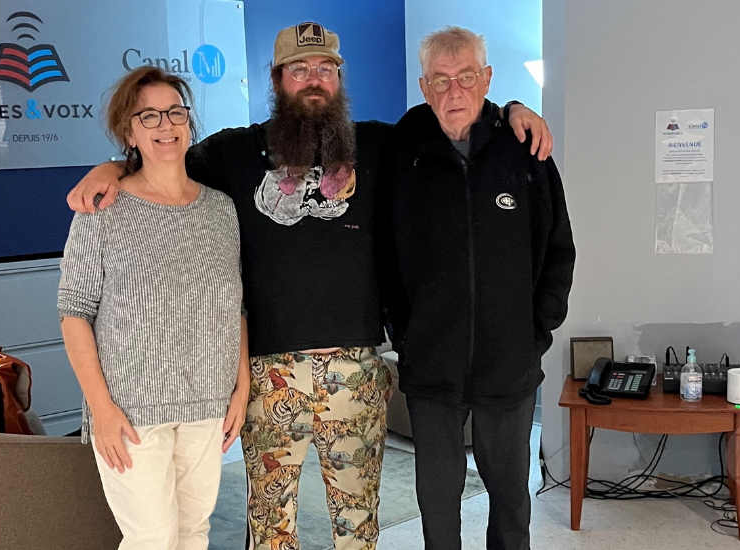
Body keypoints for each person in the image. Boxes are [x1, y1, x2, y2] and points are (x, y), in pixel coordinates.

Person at [67, 22, 553, 550]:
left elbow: (454, 107)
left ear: (339, 79)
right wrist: (113, 167)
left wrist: (511, 110)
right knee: (271, 529)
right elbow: (164, 158)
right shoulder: (231, 154)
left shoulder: (381, 143)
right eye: (298, 70)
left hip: (355, 372)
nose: (313, 80)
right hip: (268, 377)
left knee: (357, 529)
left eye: (325, 69)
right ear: (277, 80)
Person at [382, 26, 575, 550]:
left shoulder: (525, 151)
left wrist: (535, 332)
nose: (454, 92)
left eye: (466, 77)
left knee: (511, 499)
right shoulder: (400, 153)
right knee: (438, 503)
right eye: (440, 80)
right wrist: (405, 334)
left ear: (486, 79)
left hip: (508, 368)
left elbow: (559, 248)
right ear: (424, 87)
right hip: (431, 370)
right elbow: (382, 256)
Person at [57, 66, 250, 550]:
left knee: (193, 532)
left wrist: (241, 388)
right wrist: (100, 409)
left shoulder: (221, 210)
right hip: (131, 410)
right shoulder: (103, 210)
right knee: (152, 538)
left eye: (175, 112)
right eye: (150, 116)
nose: (166, 125)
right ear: (129, 132)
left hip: (208, 404)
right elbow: (74, 312)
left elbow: (236, 307)